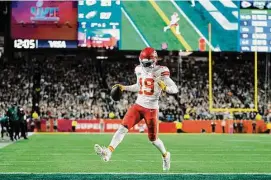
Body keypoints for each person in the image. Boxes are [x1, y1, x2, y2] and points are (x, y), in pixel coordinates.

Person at [94, 47, 178, 171]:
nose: (145, 66)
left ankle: (166, 156)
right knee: (123, 128)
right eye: (143, 62)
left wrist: (165, 88)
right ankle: (109, 151)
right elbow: (138, 86)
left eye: (148, 63)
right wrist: (124, 87)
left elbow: (175, 88)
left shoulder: (161, 71)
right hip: (138, 105)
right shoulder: (139, 69)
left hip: (151, 109)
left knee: (153, 140)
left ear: (154, 61)